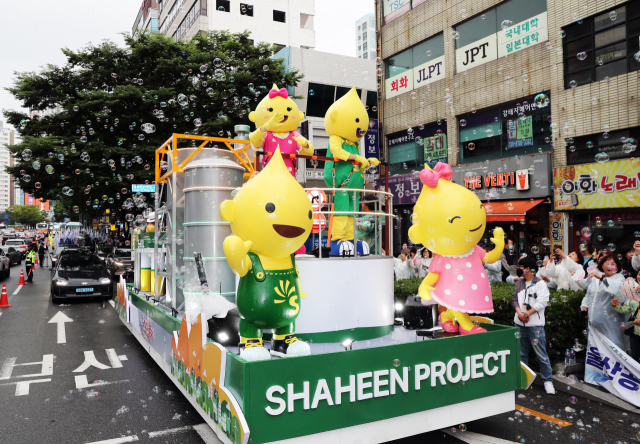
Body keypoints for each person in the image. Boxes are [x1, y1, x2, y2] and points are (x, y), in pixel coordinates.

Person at [512, 255, 555, 395]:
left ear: (528, 269)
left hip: (535, 325)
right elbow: (514, 300)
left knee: (541, 354)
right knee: (522, 353)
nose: (519, 270)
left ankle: (548, 381)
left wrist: (527, 314)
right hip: (519, 324)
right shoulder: (519, 283)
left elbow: (541, 303)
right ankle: (522, 380)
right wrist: (520, 313)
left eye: (521, 267)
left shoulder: (540, 284)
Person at [581, 252, 626, 349]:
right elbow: (588, 295)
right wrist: (585, 306)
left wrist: (602, 278)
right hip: (594, 324)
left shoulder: (620, 278)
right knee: (596, 354)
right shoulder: (595, 278)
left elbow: (617, 288)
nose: (610, 266)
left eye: (613, 264)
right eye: (607, 263)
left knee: (613, 351)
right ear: (601, 266)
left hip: (610, 325)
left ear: (617, 266)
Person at [611, 267, 640, 362]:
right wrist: (616, 305)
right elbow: (625, 310)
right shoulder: (633, 291)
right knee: (636, 360)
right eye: (639, 274)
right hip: (635, 333)